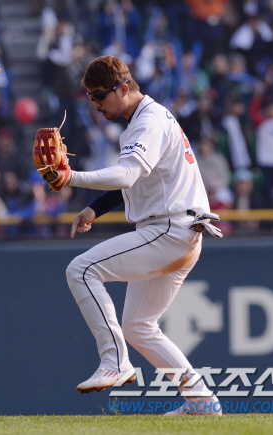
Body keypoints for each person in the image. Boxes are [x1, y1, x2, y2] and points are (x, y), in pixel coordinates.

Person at [62, 56, 222, 415]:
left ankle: (114, 362)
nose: (95, 104)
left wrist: (71, 177)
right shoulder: (145, 119)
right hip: (178, 229)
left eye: (99, 95)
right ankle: (201, 402)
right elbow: (136, 179)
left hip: (168, 229)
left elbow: (126, 175)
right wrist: (95, 208)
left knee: (82, 270)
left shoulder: (148, 121)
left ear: (123, 88)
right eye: (90, 97)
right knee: (138, 326)